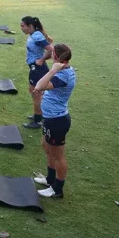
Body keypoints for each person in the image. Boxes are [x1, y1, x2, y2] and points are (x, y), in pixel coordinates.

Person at [33, 44, 75, 198]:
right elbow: (42, 87)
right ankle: (50, 179)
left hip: (57, 121)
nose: (49, 55)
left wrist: (52, 70)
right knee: (46, 146)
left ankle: (57, 189)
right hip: (51, 119)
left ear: (56, 58)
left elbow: (39, 85)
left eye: (52, 54)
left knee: (58, 156)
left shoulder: (63, 74)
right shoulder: (63, 70)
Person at [21, 16, 53, 129]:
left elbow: (51, 50)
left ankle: (37, 120)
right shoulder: (35, 34)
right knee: (37, 93)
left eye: (23, 26)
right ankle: (41, 115)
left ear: (30, 26)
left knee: (35, 93)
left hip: (38, 69)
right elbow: (48, 42)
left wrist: (42, 59)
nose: (21, 28)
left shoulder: (37, 36)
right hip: (36, 68)